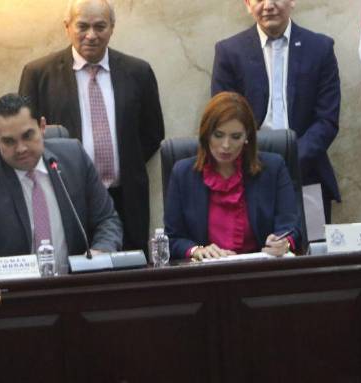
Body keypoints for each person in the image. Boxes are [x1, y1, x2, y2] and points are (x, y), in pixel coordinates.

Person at [18, 0, 164, 252]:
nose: (91, 35)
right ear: (67, 27)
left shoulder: (138, 71)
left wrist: (125, 162)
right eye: (82, 26)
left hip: (126, 198)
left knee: (129, 280)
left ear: (112, 28)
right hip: (67, 196)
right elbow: (29, 137)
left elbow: (152, 132)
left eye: (100, 27)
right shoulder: (39, 74)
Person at [0, 94, 122, 274]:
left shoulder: (74, 158)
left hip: (75, 289)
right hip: (15, 296)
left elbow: (106, 220)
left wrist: (101, 253)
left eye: (27, 136)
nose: (21, 148)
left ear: (42, 126)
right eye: (9, 141)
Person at [211, 0, 340, 223]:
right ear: (247, 4)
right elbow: (223, 120)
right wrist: (257, 161)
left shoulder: (320, 48)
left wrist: (291, 160)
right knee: (259, 254)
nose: (268, 5)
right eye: (259, 0)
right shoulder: (229, 52)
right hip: (250, 176)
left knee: (315, 252)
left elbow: (327, 120)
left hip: (307, 175)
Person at [164, 92, 302, 261]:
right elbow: (173, 238)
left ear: (247, 137)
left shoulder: (273, 168)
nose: (226, 145)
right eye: (218, 135)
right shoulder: (182, 174)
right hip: (205, 276)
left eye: (236, 137)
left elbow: (291, 227)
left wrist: (283, 243)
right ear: (206, 134)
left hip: (260, 272)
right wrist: (196, 250)